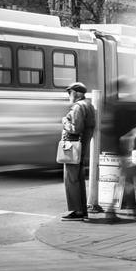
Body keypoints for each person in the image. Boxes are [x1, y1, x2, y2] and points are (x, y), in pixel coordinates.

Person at [60, 82, 96, 221]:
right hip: (81, 147)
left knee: (71, 179)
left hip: (72, 146)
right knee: (78, 179)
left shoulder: (78, 107)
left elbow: (75, 128)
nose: (69, 95)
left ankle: (77, 211)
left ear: (75, 93)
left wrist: (64, 121)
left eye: (70, 92)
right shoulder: (88, 105)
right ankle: (81, 210)